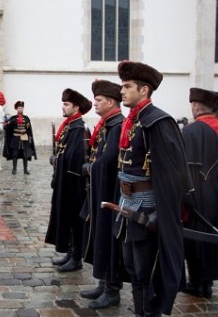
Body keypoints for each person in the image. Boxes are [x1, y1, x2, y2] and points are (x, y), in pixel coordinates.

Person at [114, 60, 192, 316]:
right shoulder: (133, 120)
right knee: (133, 268)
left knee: (145, 270)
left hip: (147, 207)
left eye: (127, 86)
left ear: (144, 89)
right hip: (127, 204)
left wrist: (160, 214)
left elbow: (174, 173)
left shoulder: (158, 122)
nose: (122, 91)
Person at [181, 88, 218, 299]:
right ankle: (208, 283)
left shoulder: (189, 131)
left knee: (195, 237)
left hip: (196, 191)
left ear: (196, 106)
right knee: (215, 235)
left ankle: (196, 282)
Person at [78, 80, 126, 309]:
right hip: (101, 189)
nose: (94, 104)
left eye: (98, 101)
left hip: (111, 192)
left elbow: (108, 159)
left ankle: (112, 289)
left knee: (109, 238)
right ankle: (103, 281)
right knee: (101, 236)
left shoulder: (117, 125)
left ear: (110, 101)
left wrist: (89, 168)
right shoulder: (108, 124)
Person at [45, 88, 91, 273]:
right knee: (67, 219)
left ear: (76, 107)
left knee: (74, 221)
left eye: (66, 104)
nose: (63, 107)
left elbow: (75, 157)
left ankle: (76, 256)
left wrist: (58, 160)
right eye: (63, 103)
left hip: (74, 185)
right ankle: (70, 252)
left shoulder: (79, 129)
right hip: (64, 182)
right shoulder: (69, 126)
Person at [2, 100, 36, 175]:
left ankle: (25, 169)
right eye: (19, 108)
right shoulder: (13, 118)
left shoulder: (26, 118)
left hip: (24, 139)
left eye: (21, 108)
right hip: (15, 139)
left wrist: (30, 137)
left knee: (25, 154)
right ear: (16, 109)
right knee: (15, 154)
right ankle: (14, 169)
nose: (20, 109)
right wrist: (7, 124)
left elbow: (29, 129)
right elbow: (6, 127)